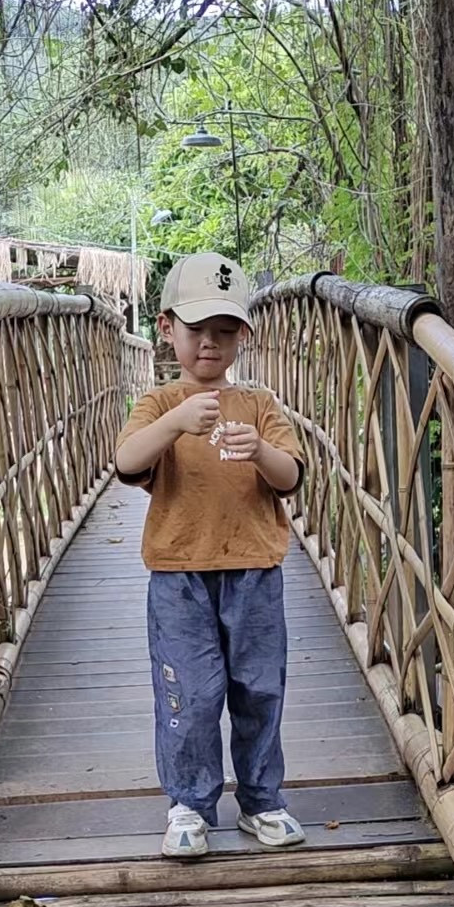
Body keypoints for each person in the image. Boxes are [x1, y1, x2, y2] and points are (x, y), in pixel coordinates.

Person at [115, 251, 307, 859]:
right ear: (166, 327)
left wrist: (258, 452)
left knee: (258, 687)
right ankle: (191, 805)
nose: (210, 345)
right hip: (179, 575)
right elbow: (126, 462)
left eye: (225, 333)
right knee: (188, 693)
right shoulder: (157, 405)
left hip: (255, 570)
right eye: (197, 331)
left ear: (243, 337)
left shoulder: (259, 406)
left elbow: (290, 475)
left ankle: (261, 799)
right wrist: (175, 422)